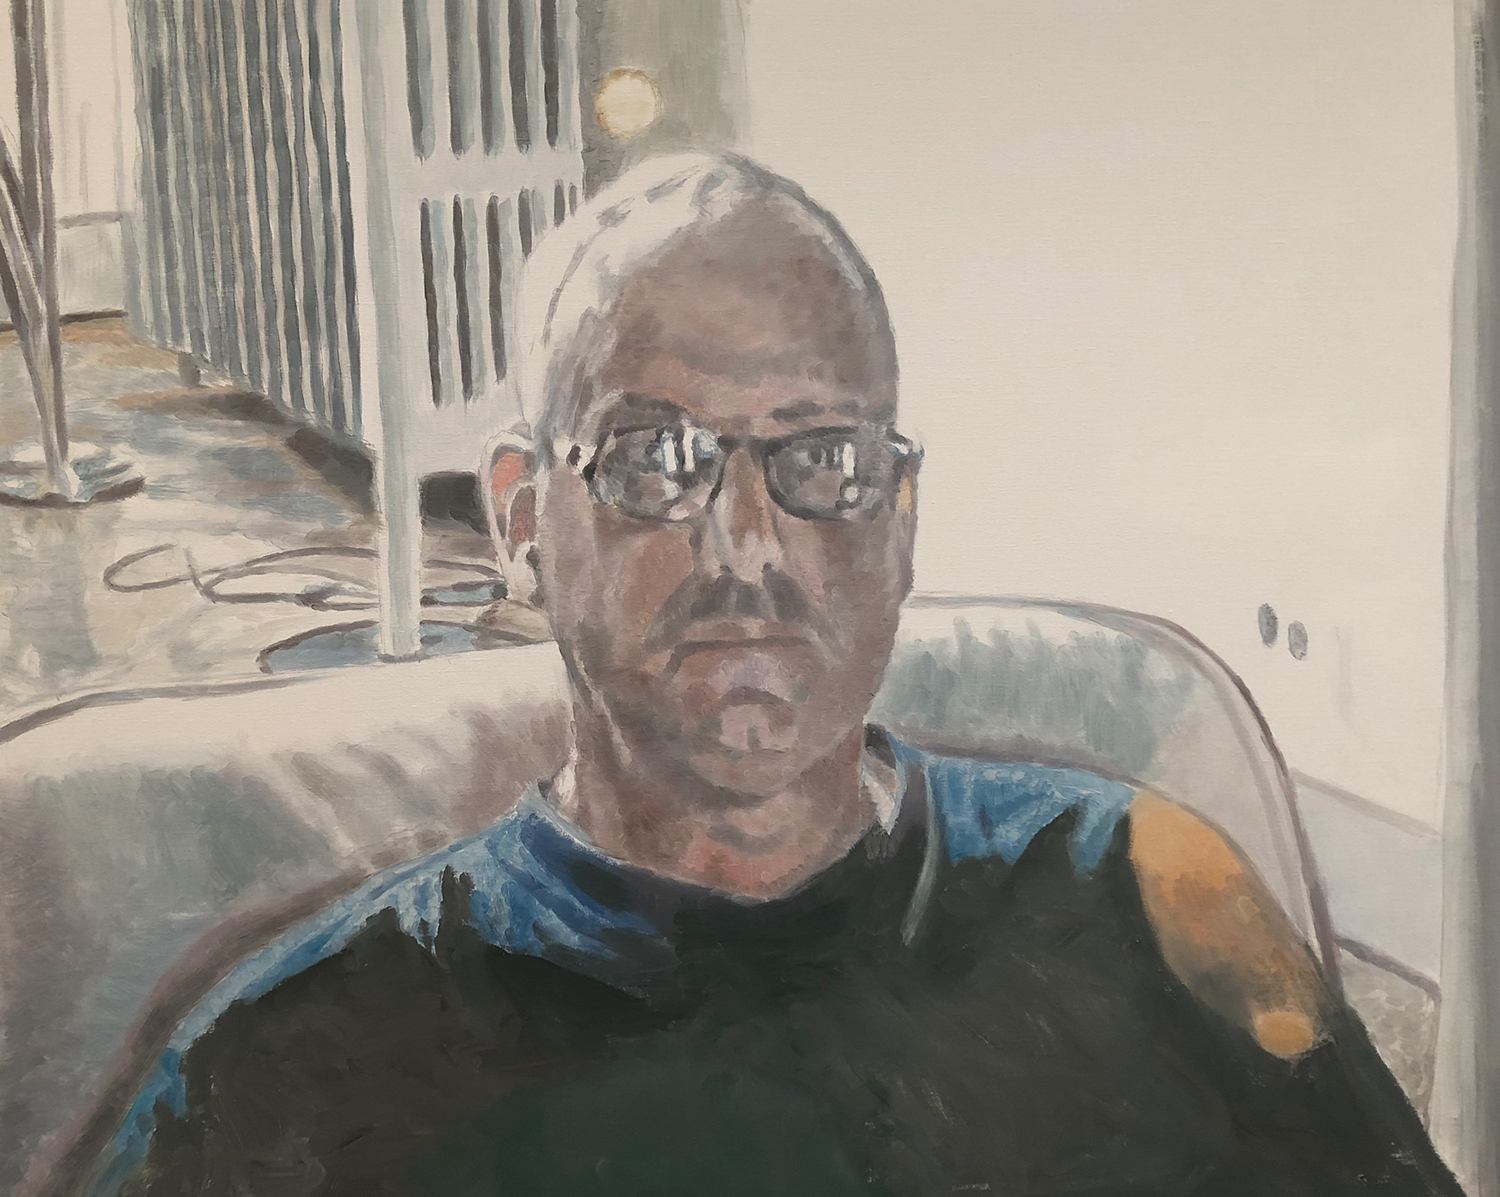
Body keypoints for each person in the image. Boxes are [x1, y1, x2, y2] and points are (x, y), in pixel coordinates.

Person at [85, 155, 1459, 1196]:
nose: (746, 548)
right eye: (655, 459)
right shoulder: (294, 1056)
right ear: (519, 517)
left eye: (825, 462)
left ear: (899, 524)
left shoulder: (1140, 897)